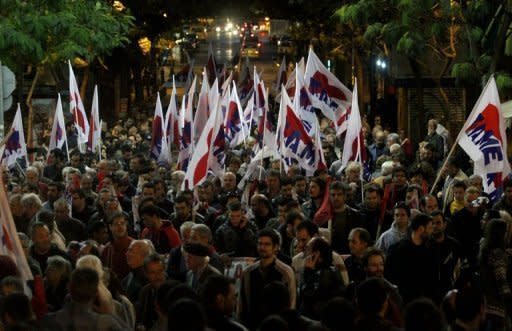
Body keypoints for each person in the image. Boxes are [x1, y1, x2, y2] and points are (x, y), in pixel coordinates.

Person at [239, 228, 296, 329]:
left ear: (276, 247)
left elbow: (291, 303)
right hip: (253, 325)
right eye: (260, 244)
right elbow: (242, 304)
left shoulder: (285, 272)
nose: (262, 247)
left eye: (267, 244)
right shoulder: (248, 272)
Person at [42, 268, 128, 330]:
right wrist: (110, 313)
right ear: (96, 293)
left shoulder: (49, 319)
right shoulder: (105, 322)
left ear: (69, 288)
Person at [385, 213, 439, 304]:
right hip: (404, 301)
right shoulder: (398, 250)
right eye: (429, 228)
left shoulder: (430, 250)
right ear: (421, 229)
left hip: (425, 301)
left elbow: (433, 279)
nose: (432, 231)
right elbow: (390, 276)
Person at [298, 237, 344, 320]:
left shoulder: (325, 274)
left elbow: (307, 298)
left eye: (307, 249)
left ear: (316, 254)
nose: (305, 253)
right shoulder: (329, 270)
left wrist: (308, 272)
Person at [479, 219, 511, 330]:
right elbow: (502, 281)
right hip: (497, 307)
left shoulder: (485, 249)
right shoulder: (497, 254)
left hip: (486, 304)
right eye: (506, 232)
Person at [328, 181, 362, 254]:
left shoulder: (355, 215)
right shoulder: (325, 216)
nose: (336, 197)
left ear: (344, 196)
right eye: (333, 195)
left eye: (339, 194)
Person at [101, 212, 134, 279]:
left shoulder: (134, 245)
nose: (120, 227)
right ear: (110, 227)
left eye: (122, 223)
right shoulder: (107, 248)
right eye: (116, 224)